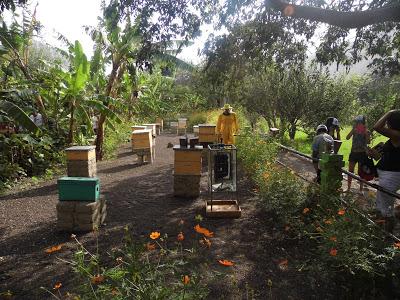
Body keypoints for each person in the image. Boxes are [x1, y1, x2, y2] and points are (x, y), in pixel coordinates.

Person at [373, 110, 400, 232]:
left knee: (385, 210)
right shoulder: (395, 136)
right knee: (384, 207)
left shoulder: (397, 135)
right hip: (389, 175)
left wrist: (390, 112)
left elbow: (377, 127)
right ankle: (382, 234)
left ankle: (385, 237)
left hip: (391, 177)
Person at [346, 115, 370, 192]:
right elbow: (347, 137)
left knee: (361, 173)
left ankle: (360, 190)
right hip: (353, 153)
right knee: (350, 171)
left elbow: (368, 142)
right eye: (357, 122)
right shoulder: (354, 130)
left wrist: (366, 133)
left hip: (362, 154)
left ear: (363, 123)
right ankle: (348, 188)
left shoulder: (367, 131)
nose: (359, 124)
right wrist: (353, 130)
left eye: (360, 122)